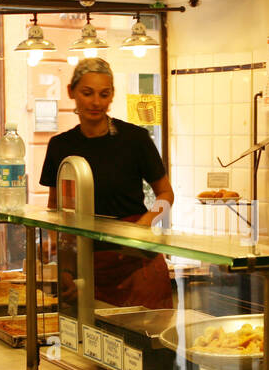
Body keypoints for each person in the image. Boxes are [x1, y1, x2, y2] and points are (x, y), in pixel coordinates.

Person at [39, 58, 175, 309]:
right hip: (87, 266)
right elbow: (57, 213)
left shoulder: (135, 139)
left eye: (104, 94)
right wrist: (63, 266)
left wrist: (144, 224)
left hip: (138, 262)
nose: (96, 102)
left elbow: (166, 195)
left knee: (143, 341)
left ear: (112, 95)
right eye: (87, 93)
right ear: (71, 92)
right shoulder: (60, 146)